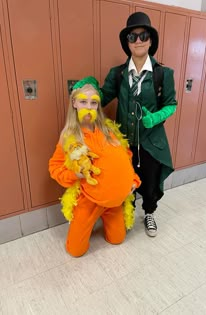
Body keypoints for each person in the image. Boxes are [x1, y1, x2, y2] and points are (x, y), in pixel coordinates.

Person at [101, 12, 177, 237]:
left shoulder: (164, 74)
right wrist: (86, 95)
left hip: (152, 142)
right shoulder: (118, 74)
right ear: (127, 43)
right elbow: (102, 98)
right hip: (124, 142)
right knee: (126, 181)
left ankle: (150, 212)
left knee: (150, 181)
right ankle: (127, 214)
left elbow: (171, 104)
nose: (138, 41)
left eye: (143, 35)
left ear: (151, 40)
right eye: (132, 37)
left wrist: (155, 117)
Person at [49, 76, 141, 257]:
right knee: (75, 251)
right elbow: (55, 167)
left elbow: (126, 156)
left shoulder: (109, 130)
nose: (89, 107)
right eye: (83, 101)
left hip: (115, 201)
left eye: (93, 102)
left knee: (117, 239)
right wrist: (75, 174)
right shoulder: (69, 137)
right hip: (89, 200)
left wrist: (133, 180)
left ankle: (109, 217)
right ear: (74, 103)